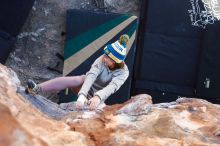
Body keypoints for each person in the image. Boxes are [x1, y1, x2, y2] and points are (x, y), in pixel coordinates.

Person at [26, 34, 130, 111]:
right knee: (78, 79)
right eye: (105, 55)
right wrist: (82, 94)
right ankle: (37, 88)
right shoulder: (102, 59)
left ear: (115, 61)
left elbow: (112, 87)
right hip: (85, 86)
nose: (104, 58)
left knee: (95, 112)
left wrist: (98, 97)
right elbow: (91, 75)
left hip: (97, 97)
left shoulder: (123, 73)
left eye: (108, 58)